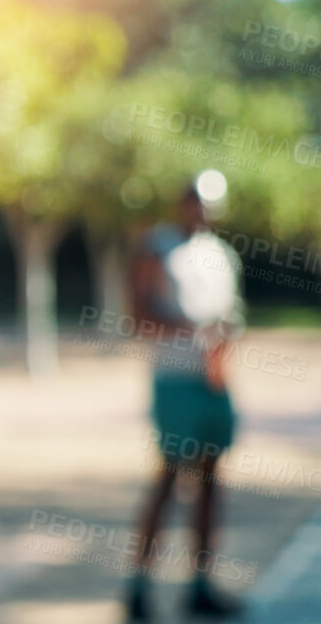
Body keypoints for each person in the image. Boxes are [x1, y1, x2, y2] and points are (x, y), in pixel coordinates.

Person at [123, 183, 246, 621]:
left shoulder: (221, 255)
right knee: (170, 477)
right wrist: (194, 332)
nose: (200, 209)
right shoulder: (157, 246)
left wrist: (220, 348)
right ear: (181, 202)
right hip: (175, 379)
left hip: (212, 382)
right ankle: (139, 587)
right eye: (194, 199)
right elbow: (139, 315)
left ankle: (200, 583)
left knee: (212, 480)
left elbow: (230, 320)